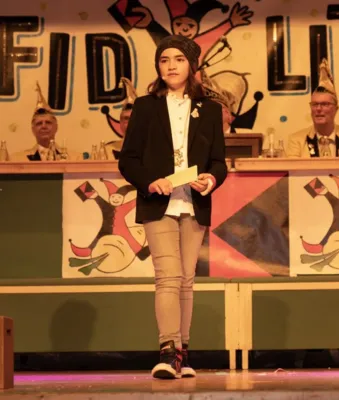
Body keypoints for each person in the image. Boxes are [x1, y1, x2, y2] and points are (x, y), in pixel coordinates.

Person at [118, 35, 227, 379]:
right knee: (168, 276)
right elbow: (128, 160)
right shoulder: (145, 106)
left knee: (186, 280)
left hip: (193, 203)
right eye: (164, 60)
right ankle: (168, 350)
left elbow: (219, 162)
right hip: (158, 202)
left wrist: (210, 180)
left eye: (178, 59)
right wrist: (151, 181)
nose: (171, 66)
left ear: (192, 65)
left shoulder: (210, 109)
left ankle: (183, 352)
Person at [287, 59, 339, 158]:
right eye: (315, 104)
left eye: (324, 104)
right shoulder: (297, 141)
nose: (318, 109)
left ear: (336, 109)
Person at [11, 82, 82, 161]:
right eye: (39, 123)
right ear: (33, 129)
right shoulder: (17, 159)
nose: (44, 126)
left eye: (48, 122)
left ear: (56, 127)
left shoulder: (75, 158)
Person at [105, 78, 138, 160]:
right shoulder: (108, 149)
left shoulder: (152, 149)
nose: (130, 123)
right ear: (121, 123)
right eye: (126, 119)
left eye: (133, 119)